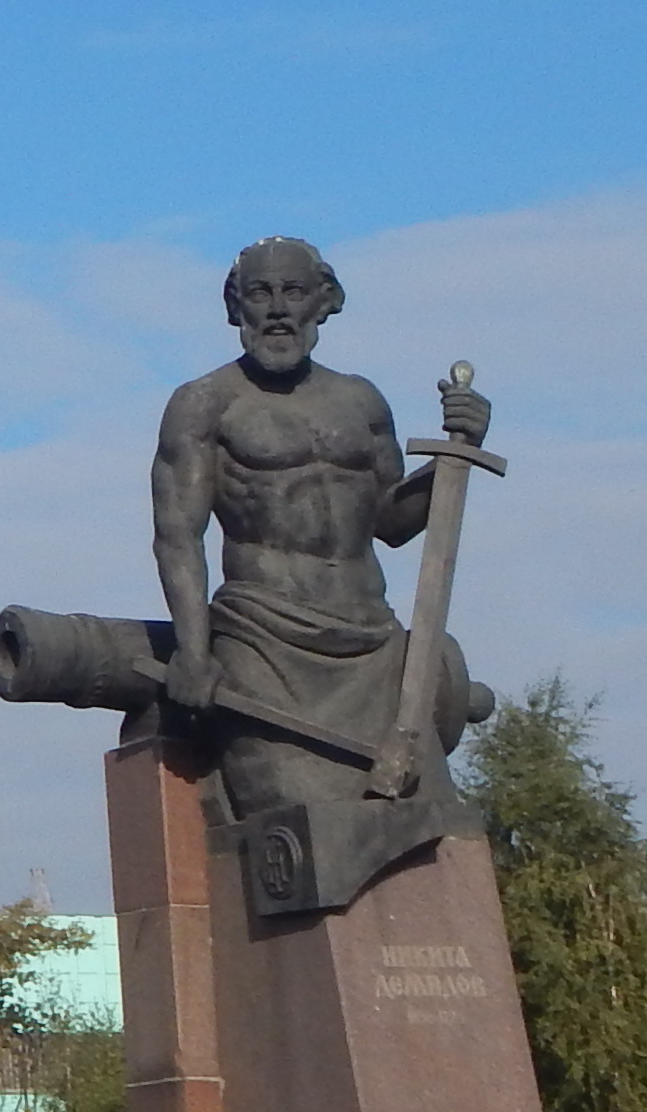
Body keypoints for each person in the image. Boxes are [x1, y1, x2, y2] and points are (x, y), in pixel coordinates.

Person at [151, 237, 493, 916]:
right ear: (235, 306)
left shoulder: (361, 402)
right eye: (261, 294)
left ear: (325, 301)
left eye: (294, 293)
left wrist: (457, 454)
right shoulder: (204, 404)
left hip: (374, 650)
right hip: (264, 645)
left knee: (436, 829)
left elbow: (392, 521)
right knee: (303, 831)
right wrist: (193, 650)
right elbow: (177, 535)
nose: (278, 311)